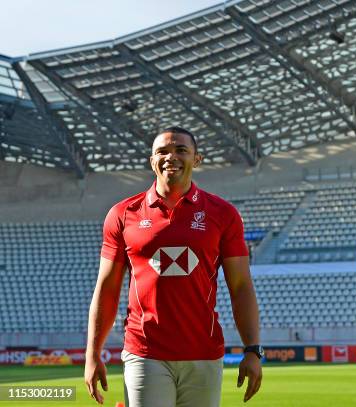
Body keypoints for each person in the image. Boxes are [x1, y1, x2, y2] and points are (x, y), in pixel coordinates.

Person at [84, 127, 263, 407]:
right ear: (152, 160)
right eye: (163, 151)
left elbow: (240, 286)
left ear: (197, 158)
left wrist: (252, 350)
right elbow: (107, 288)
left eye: (181, 150)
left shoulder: (223, 214)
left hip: (203, 353)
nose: (171, 157)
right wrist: (92, 354)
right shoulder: (122, 214)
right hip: (145, 352)